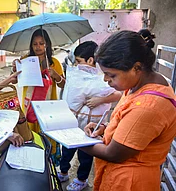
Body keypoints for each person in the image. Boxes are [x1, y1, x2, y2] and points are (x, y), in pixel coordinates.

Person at [80, 30, 176, 191]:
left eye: (111, 75)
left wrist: (75, 143)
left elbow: (114, 154)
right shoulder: (138, 84)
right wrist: (105, 128)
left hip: (130, 183)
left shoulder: (148, 106)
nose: (106, 80)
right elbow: (130, 125)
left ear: (136, 67)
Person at [57, 41, 122, 191]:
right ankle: (63, 171)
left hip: (91, 123)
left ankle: (81, 179)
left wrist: (101, 99)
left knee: (85, 153)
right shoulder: (75, 75)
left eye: (80, 61)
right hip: (73, 122)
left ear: (90, 60)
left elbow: (119, 94)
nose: (77, 65)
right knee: (66, 149)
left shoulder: (102, 79)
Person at [11, 29, 65, 165]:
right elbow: (16, 81)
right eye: (35, 44)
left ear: (47, 44)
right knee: (29, 136)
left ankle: (48, 167)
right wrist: (15, 70)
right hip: (29, 108)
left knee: (47, 135)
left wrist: (56, 76)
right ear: (31, 45)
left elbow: (63, 85)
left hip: (48, 108)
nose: (38, 47)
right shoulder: (25, 61)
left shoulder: (54, 63)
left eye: (41, 43)